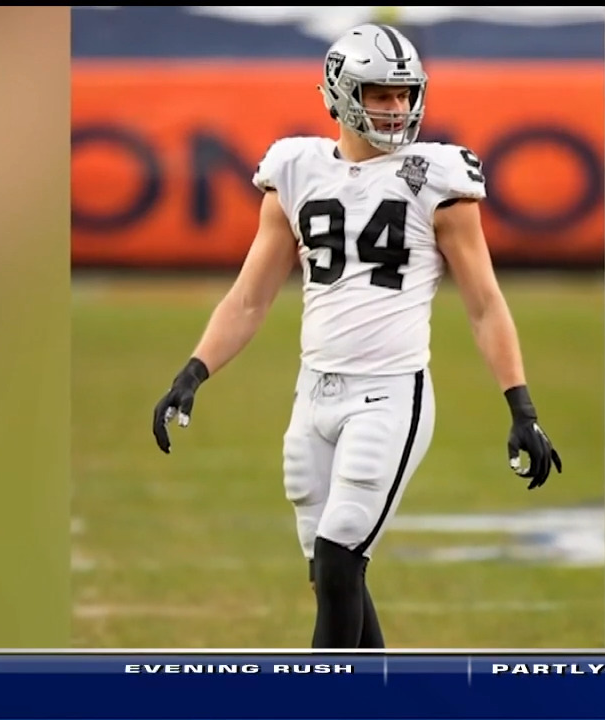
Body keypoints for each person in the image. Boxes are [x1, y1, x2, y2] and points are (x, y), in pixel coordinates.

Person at [151, 22, 562, 649]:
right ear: (341, 93)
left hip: (391, 397)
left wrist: (521, 406)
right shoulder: (295, 168)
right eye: (380, 94)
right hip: (312, 395)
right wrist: (193, 371)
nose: (396, 108)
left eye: (404, 94)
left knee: (341, 559)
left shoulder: (438, 179)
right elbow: (250, 297)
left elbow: (484, 305)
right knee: (330, 576)